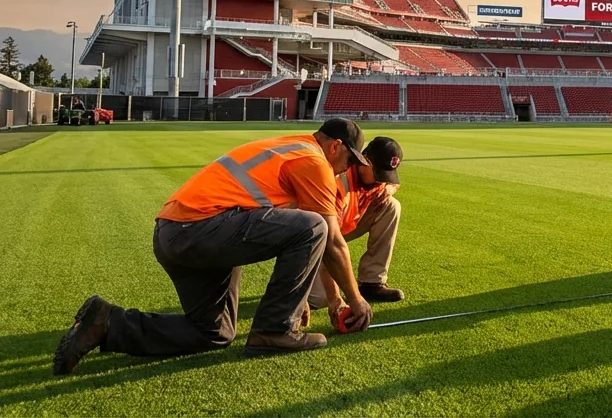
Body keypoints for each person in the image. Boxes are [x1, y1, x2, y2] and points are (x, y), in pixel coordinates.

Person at [52, 119, 376, 375]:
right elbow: (330, 240)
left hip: (175, 233)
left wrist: (302, 298)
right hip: (200, 230)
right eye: (350, 160)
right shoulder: (313, 161)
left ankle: (106, 322)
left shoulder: (289, 147)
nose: (347, 169)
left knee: (214, 333)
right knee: (315, 225)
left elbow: (280, 231)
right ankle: (274, 332)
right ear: (336, 147)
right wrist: (355, 300)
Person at [308, 136, 406, 312]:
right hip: (320, 237)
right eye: (378, 174)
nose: (380, 181)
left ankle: (371, 283)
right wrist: (338, 299)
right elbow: (329, 244)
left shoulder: (377, 180)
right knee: (319, 299)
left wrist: (389, 189)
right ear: (364, 161)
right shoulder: (339, 180)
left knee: (392, 205)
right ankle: (294, 282)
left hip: (345, 224)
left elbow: (392, 183)